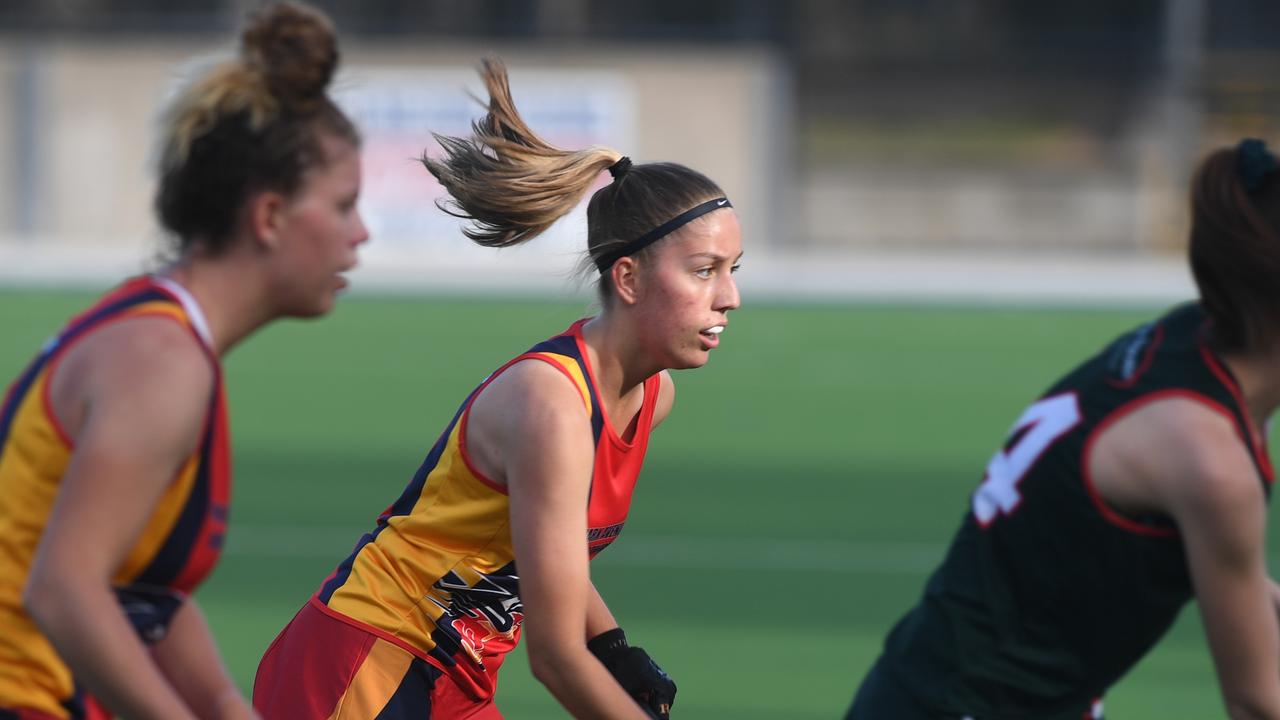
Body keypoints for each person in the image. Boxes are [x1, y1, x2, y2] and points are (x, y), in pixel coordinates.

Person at [252, 57, 742, 720]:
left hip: (452, 679)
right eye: (705, 271)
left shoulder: (651, 397)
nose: (730, 298)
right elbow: (555, 657)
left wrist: (615, 646)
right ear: (627, 279)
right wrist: (598, 659)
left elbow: (545, 548)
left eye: (732, 270)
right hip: (365, 666)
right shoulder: (554, 405)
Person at [0, 4, 368, 719]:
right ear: (268, 217)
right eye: (344, 205)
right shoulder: (162, 361)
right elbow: (63, 590)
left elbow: (144, 597)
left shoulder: (163, 337)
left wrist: (228, 707)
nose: (361, 234)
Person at [847, 138, 1280, 720]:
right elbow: (1257, 702)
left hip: (949, 686)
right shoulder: (1208, 461)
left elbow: (1239, 578)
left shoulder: (1189, 343)